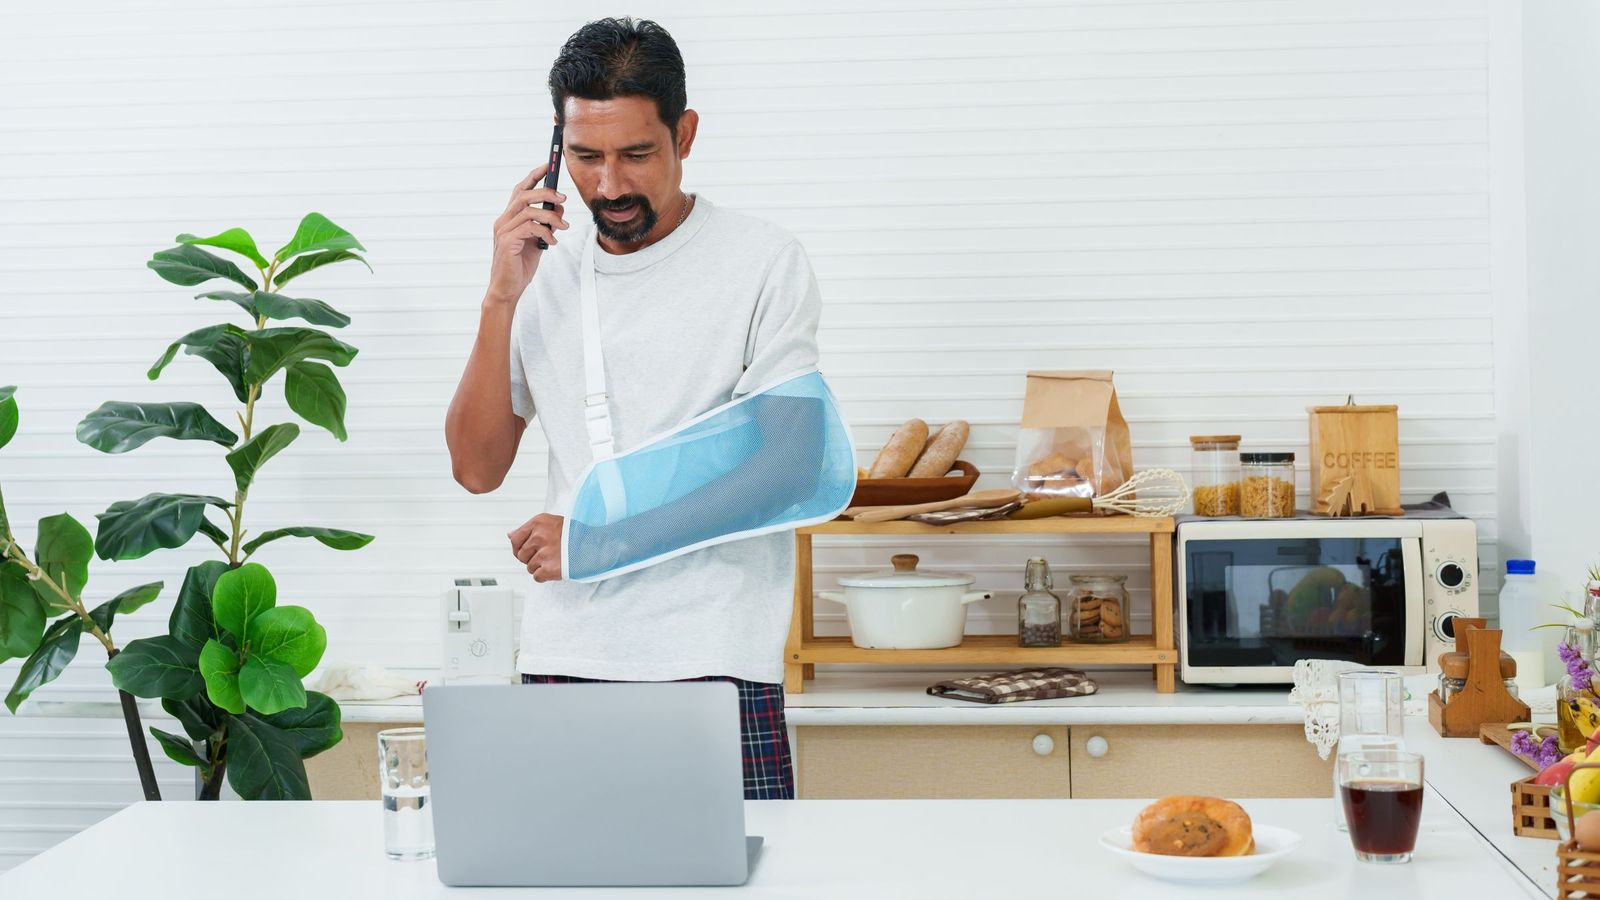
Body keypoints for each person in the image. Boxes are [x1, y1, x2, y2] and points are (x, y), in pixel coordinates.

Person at [444, 17, 824, 800]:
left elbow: (791, 466)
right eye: (585, 157)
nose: (609, 185)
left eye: (636, 154)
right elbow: (477, 469)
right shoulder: (538, 274)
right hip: (565, 655)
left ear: (684, 135)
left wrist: (601, 537)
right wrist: (500, 294)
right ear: (558, 145)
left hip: (714, 659)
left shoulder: (762, 262)